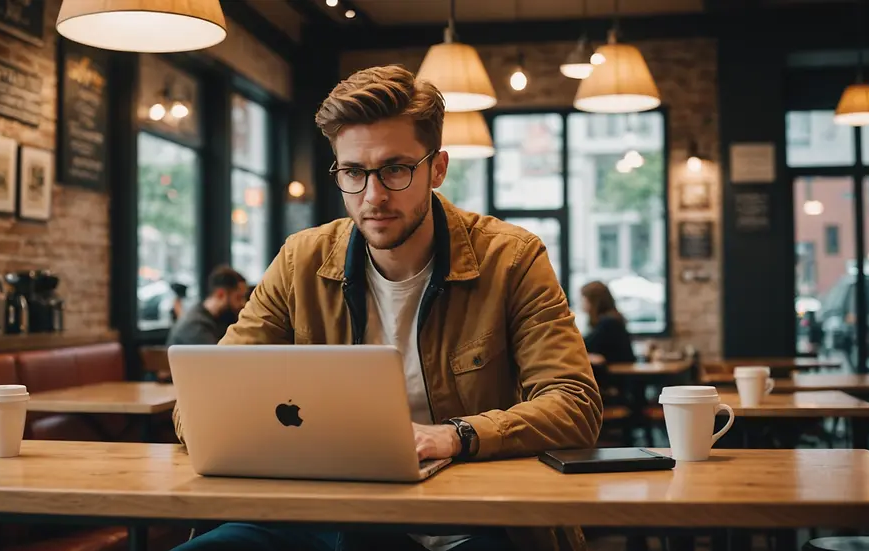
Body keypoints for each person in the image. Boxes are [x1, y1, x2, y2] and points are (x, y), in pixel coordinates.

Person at [172, 65, 602, 551]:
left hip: (472, 525)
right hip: (327, 517)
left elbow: (575, 405)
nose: (373, 197)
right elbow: (200, 404)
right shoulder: (300, 261)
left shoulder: (512, 258)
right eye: (353, 172)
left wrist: (455, 436)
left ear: (437, 168)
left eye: (396, 169)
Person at [166, 266, 247, 346]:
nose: (243, 303)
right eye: (238, 298)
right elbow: (219, 357)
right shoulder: (196, 326)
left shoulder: (219, 319)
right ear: (220, 294)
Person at [579, 281, 636, 366]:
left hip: (616, 375)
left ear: (592, 301)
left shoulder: (609, 323)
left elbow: (584, 346)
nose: (581, 303)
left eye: (583, 299)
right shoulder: (610, 319)